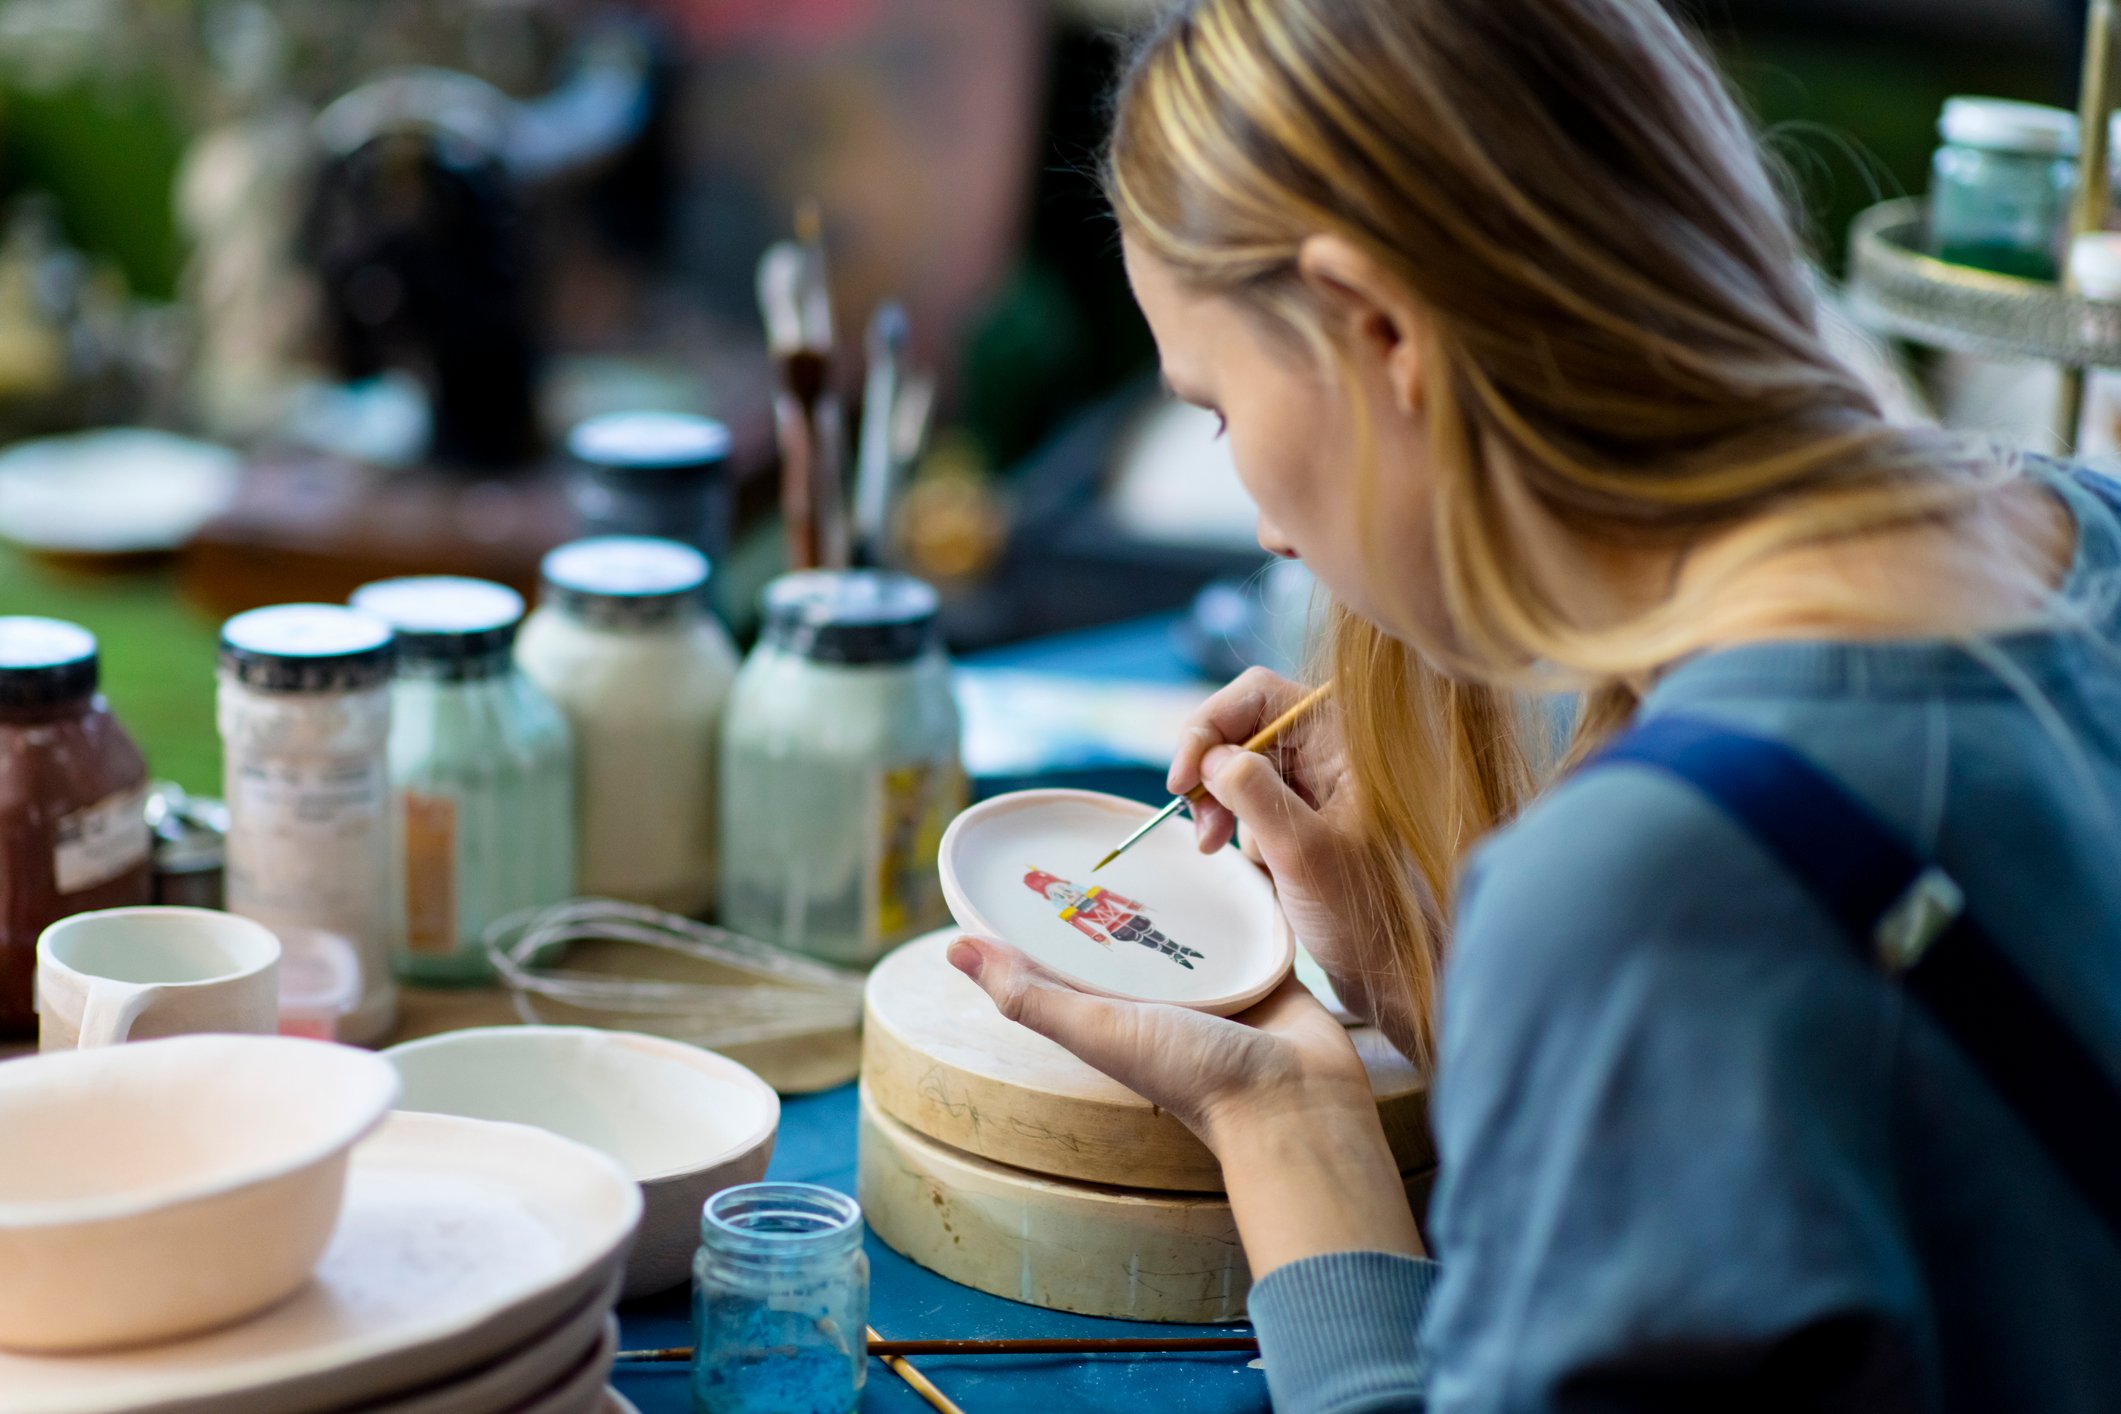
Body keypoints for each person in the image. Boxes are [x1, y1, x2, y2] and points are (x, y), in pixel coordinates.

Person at [942, 1, 2121, 1410]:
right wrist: (1465, 1003)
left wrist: (1285, 1120)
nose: (1259, 523)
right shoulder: (2082, 532)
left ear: (1378, 327)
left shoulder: (1657, 885)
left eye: (1215, 407)